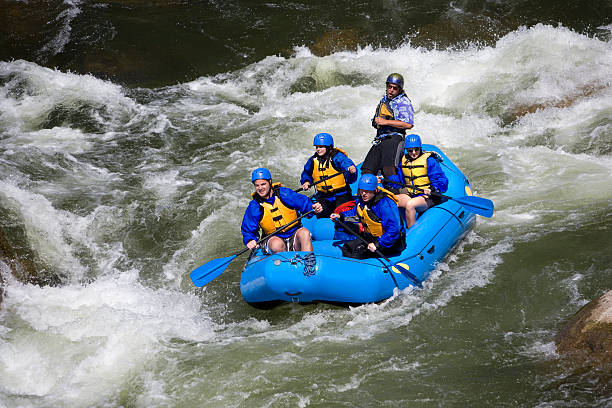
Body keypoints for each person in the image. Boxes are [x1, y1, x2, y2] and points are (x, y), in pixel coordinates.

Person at [241, 168, 323, 253]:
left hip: (294, 235)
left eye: (263, 184)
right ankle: (283, 265)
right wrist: (250, 240)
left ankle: (308, 261)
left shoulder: (285, 194)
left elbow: (305, 204)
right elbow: (248, 229)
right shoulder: (254, 206)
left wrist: (313, 208)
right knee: (277, 244)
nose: (260, 188)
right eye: (257, 185)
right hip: (273, 239)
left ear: (270, 182)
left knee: (304, 233)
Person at [330, 173, 405, 259]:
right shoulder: (362, 201)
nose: (364, 194)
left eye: (367, 191)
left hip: (391, 241)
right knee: (347, 248)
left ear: (375, 190)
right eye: (362, 190)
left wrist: (378, 244)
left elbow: (393, 229)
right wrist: (341, 216)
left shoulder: (385, 204)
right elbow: (355, 214)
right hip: (373, 237)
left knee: (358, 252)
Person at [386, 134, 448, 228]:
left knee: (410, 205)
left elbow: (441, 180)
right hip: (412, 195)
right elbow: (399, 180)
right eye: (410, 150)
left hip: (428, 197)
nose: (414, 153)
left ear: (420, 148)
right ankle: (399, 229)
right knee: (388, 201)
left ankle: (411, 235)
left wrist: (433, 188)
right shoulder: (404, 161)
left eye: (416, 149)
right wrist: (384, 180)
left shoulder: (429, 160)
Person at [361, 73, 415, 181]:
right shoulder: (384, 100)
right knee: (366, 171)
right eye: (389, 87)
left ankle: (395, 193)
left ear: (399, 90)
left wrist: (385, 122)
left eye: (394, 88)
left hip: (394, 138)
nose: (391, 90)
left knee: (388, 169)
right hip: (380, 139)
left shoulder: (403, 102)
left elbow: (408, 124)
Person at [300, 132, 358, 218]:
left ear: (329, 147)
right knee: (321, 212)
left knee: (342, 212)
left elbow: (345, 162)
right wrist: (306, 181)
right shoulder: (313, 160)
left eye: (321, 147)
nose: (318, 149)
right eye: (317, 147)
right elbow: (306, 172)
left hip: (341, 194)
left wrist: (350, 169)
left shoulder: (337, 157)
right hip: (324, 196)